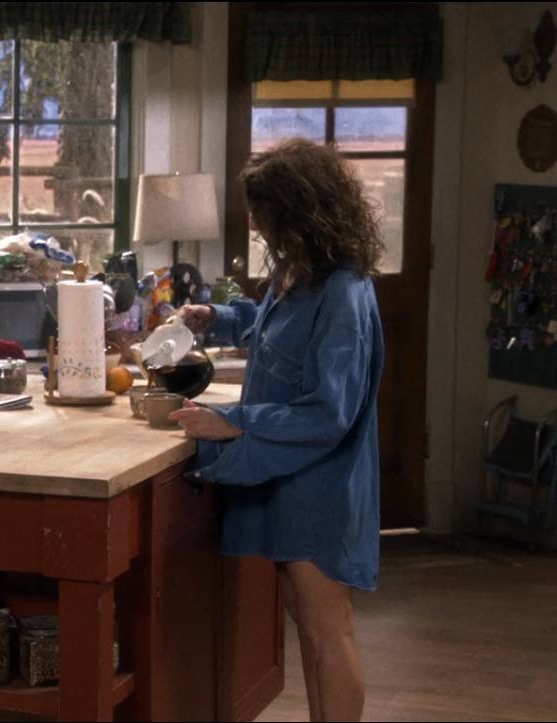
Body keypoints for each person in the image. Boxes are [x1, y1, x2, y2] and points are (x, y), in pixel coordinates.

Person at [169, 138, 384, 723]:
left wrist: (234, 421)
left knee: (328, 632)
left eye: (264, 213)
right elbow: (276, 331)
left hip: (321, 487)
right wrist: (219, 317)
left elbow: (329, 411)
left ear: (300, 210)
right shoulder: (298, 270)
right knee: (309, 628)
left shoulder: (343, 291)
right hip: (286, 479)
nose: (256, 225)